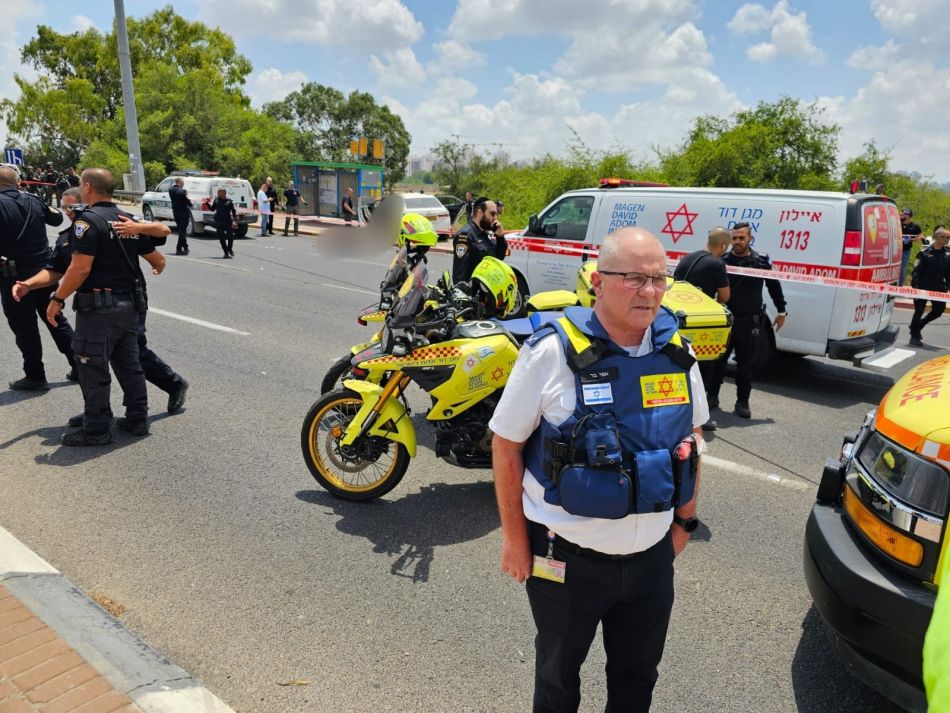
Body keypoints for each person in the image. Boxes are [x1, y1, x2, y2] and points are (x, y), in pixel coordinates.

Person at [490, 227, 707, 713]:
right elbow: (505, 447)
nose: (649, 292)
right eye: (634, 278)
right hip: (565, 559)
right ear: (598, 281)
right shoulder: (550, 353)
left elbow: (692, 443)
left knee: (637, 679)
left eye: (658, 279)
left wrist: (685, 522)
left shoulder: (677, 353)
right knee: (557, 679)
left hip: (651, 560)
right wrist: (514, 540)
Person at [14, 187, 188, 417]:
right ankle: (102, 412)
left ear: (86, 201)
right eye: (65, 207)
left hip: (126, 299)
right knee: (103, 357)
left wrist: (58, 298)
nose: (68, 212)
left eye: (73, 206)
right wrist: (29, 284)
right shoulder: (69, 237)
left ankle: (167, 388)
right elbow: (55, 270)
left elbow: (158, 245)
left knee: (130, 353)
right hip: (97, 304)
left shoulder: (119, 224)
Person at [44, 168, 166, 446]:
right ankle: (137, 419)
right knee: (129, 363)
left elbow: (79, 269)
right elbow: (157, 261)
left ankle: (96, 429)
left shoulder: (86, 221)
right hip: (130, 305)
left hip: (99, 309)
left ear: (87, 187)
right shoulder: (129, 219)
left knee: (91, 366)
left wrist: (57, 298)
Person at [0, 165, 76, 390]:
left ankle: (35, 376)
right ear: (18, 183)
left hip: (14, 277)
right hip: (45, 273)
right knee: (55, 318)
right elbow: (56, 219)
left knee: (25, 327)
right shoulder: (33, 200)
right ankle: (81, 366)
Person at [707, 221, 786, 419]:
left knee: (745, 364)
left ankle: (742, 401)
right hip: (725, 320)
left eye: (742, 238)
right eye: (734, 238)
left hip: (749, 322)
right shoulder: (723, 261)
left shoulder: (760, 261)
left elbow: (773, 286)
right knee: (718, 361)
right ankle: (712, 396)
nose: (738, 242)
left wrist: (782, 310)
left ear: (750, 238)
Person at [673, 226, 731, 431]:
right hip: (702, 326)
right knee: (703, 371)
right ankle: (699, 418)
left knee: (680, 367)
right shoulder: (717, 264)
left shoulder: (686, 258)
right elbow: (724, 296)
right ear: (723, 245)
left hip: (680, 321)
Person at [908, 227, 950, 347]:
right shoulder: (924, 253)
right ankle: (914, 336)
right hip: (923, 287)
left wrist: (948, 286)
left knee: (938, 310)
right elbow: (916, 271)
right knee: (919, 311)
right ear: (937, 237)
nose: (948, 239)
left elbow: (948, 273)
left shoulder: (947, 254)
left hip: (939, 287)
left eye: (949, 237)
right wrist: (915, 288)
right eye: (945, 237)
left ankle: (919, 325)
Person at [452, 197, 507, 284]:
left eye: (496, 215)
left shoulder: (485, 234)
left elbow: (499, 256)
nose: (495, 219)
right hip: (473, 293)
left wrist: (500, 237)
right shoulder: (465, 235)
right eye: (492, 214)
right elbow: (460, 275)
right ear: (480, 213)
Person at [169, 177, 193, 255]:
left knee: (181, 230)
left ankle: (185, 247)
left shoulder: (171, 190)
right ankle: (178, 248)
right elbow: (186, 200)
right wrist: (190, 204)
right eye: (182, 183)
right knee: (182, 231)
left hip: (175, 212)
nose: (183, 184)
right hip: (183, 213)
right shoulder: (180, 191)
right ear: (178, 183)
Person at [899, 208, 923, 286]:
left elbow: (921, 236)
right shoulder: (897, 223)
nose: (903, 215)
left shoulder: (915, 226)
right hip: (895, 250)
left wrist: (911, 239)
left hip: (905, 251)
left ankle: (899, 287)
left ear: (910, 216)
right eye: (903, 213)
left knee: (902, 270)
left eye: (906, 214)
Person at [212, 188, 238, 257]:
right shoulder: (216, 200)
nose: (217, 193)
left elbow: (233, 211)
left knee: (230, 237)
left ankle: (229, 249)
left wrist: (234, 220)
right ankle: (226, 253)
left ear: (223, 193)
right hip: (219, 222)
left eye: (219, 192)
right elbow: (212, 209)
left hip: (227, 222)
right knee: (222, 238)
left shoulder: (229, 201)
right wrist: (206, 203)